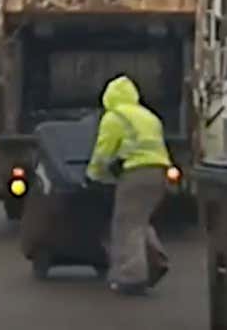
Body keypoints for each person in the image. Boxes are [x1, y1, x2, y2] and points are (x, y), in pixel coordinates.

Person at [85, 74, 173, 296]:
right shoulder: (148, 116)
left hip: (136, 173)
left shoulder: (114, 118)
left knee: (126, 225)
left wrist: (94, 175)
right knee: (139, 219)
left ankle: (131, 277)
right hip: (159, 172)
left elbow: (104, 152)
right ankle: (155, 263)